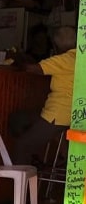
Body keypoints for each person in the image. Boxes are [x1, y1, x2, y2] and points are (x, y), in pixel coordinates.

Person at [10, 25, 76, 165]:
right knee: (18, 119)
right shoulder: (80, 58)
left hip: (57, 116)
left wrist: (16, 56)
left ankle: (21, 184)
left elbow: (31, 69)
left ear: (55, 44)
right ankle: (36, 158)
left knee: (22, 145)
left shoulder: (62, 59)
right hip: (73, 114)